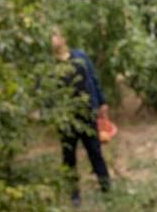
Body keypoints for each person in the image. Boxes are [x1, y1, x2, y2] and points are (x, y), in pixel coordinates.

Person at [51, 27, 111, 206]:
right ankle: (74, 195)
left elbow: (93, 79)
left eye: (55, 35)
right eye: (51, 36)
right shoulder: (51, 64)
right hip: (66, 119)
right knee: (68, 157)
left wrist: (101, 103)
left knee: (95, 152)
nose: (53, 39)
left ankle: (106, 188)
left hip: (87, 114)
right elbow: (47, 92)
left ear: (64, 38)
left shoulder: (80, 57)